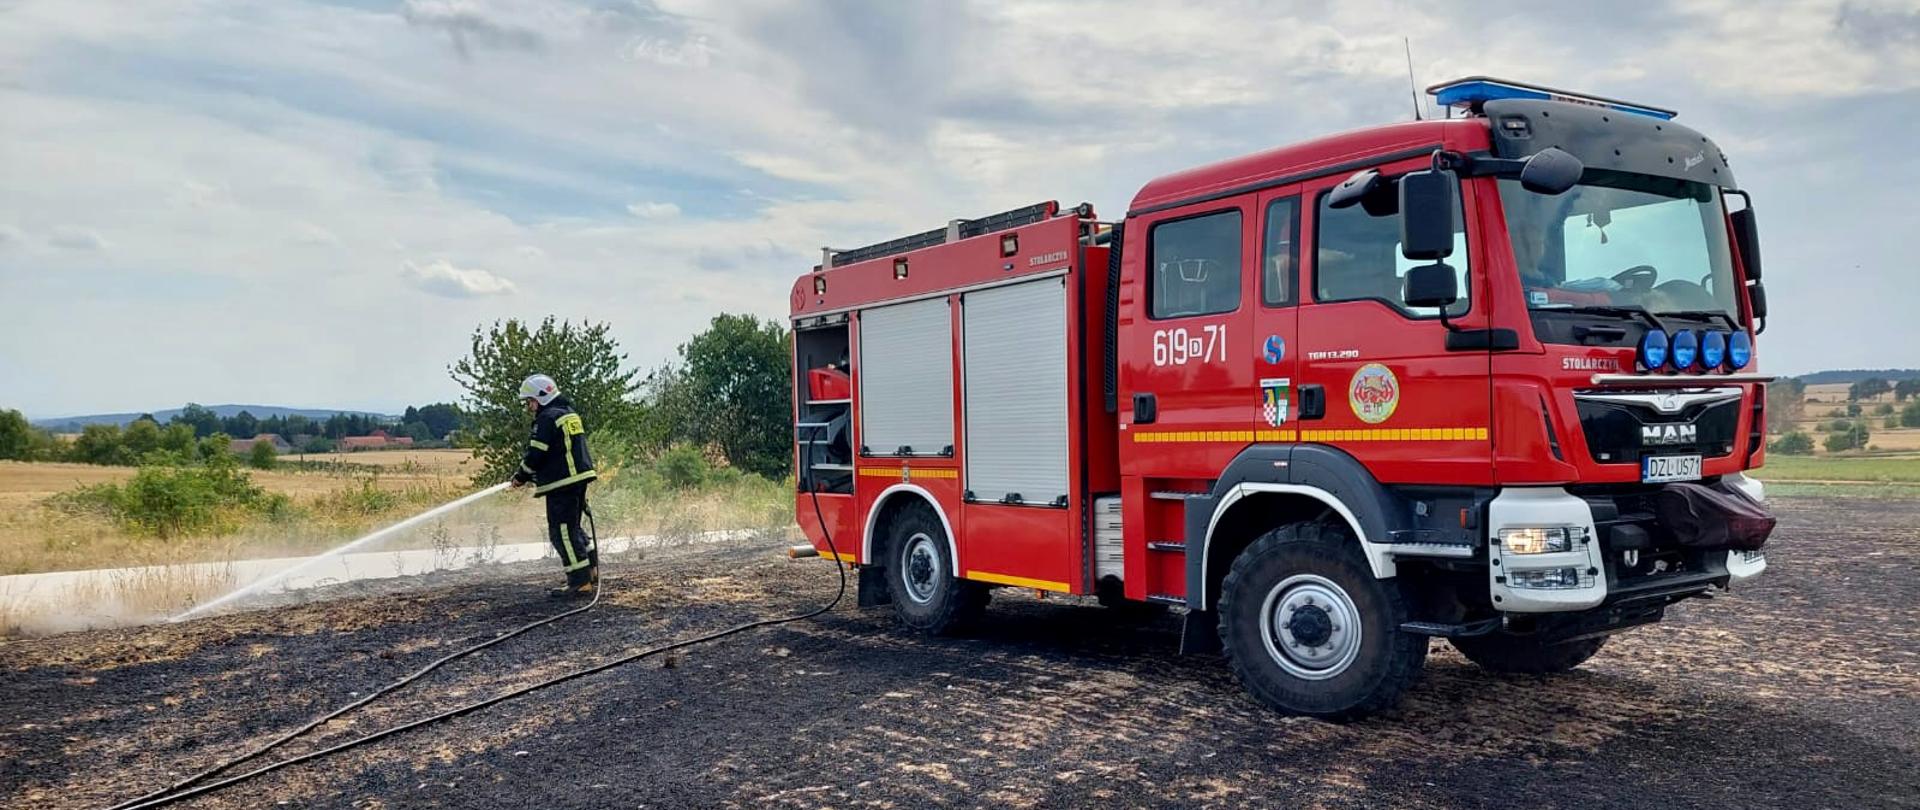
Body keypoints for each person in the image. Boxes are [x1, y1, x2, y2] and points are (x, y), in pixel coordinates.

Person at [508, 374, 600, 597]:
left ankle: (580, 582)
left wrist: (521, 476)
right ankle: (591, 571)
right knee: (574, 528)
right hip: (577, 479)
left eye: (530, 401)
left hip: (563, 483)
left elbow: (536, 453)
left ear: (541, 397)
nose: (530, 407)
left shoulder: (547, 418)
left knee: (561, 533)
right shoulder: (569, 414)